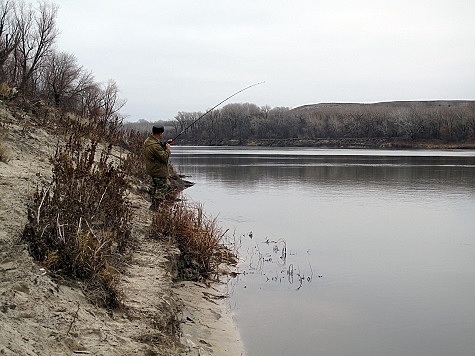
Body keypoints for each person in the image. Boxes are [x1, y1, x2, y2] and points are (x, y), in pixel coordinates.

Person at [144, 125, 171, 210]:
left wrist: (165, 144)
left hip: (153, 169)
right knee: (162, 188)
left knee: (156, 188)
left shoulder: (149, 141)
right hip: (158, 170)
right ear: (160, 133)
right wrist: (168, 149)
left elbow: (157, 150)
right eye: (162, 133)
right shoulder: (154, 145)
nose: (162, 135)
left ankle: (154, 206)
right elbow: (163, 157)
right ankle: (155, 207)